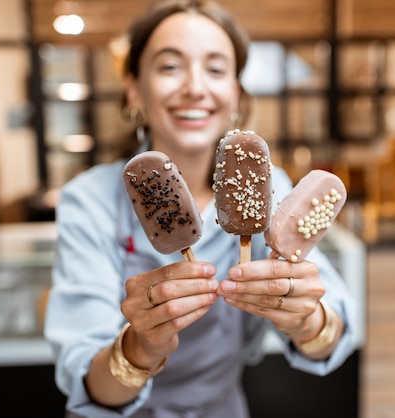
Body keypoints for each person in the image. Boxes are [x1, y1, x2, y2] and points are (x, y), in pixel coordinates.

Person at [43, 0, 358, 417]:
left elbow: (334, 333)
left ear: (236, 93)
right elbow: (87, 384)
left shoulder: (269, 186)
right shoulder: (90, 199)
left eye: (215, 69)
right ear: (134, 87)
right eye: (170, 66)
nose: (194, 87)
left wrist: (307, 320)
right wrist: (139, 346)